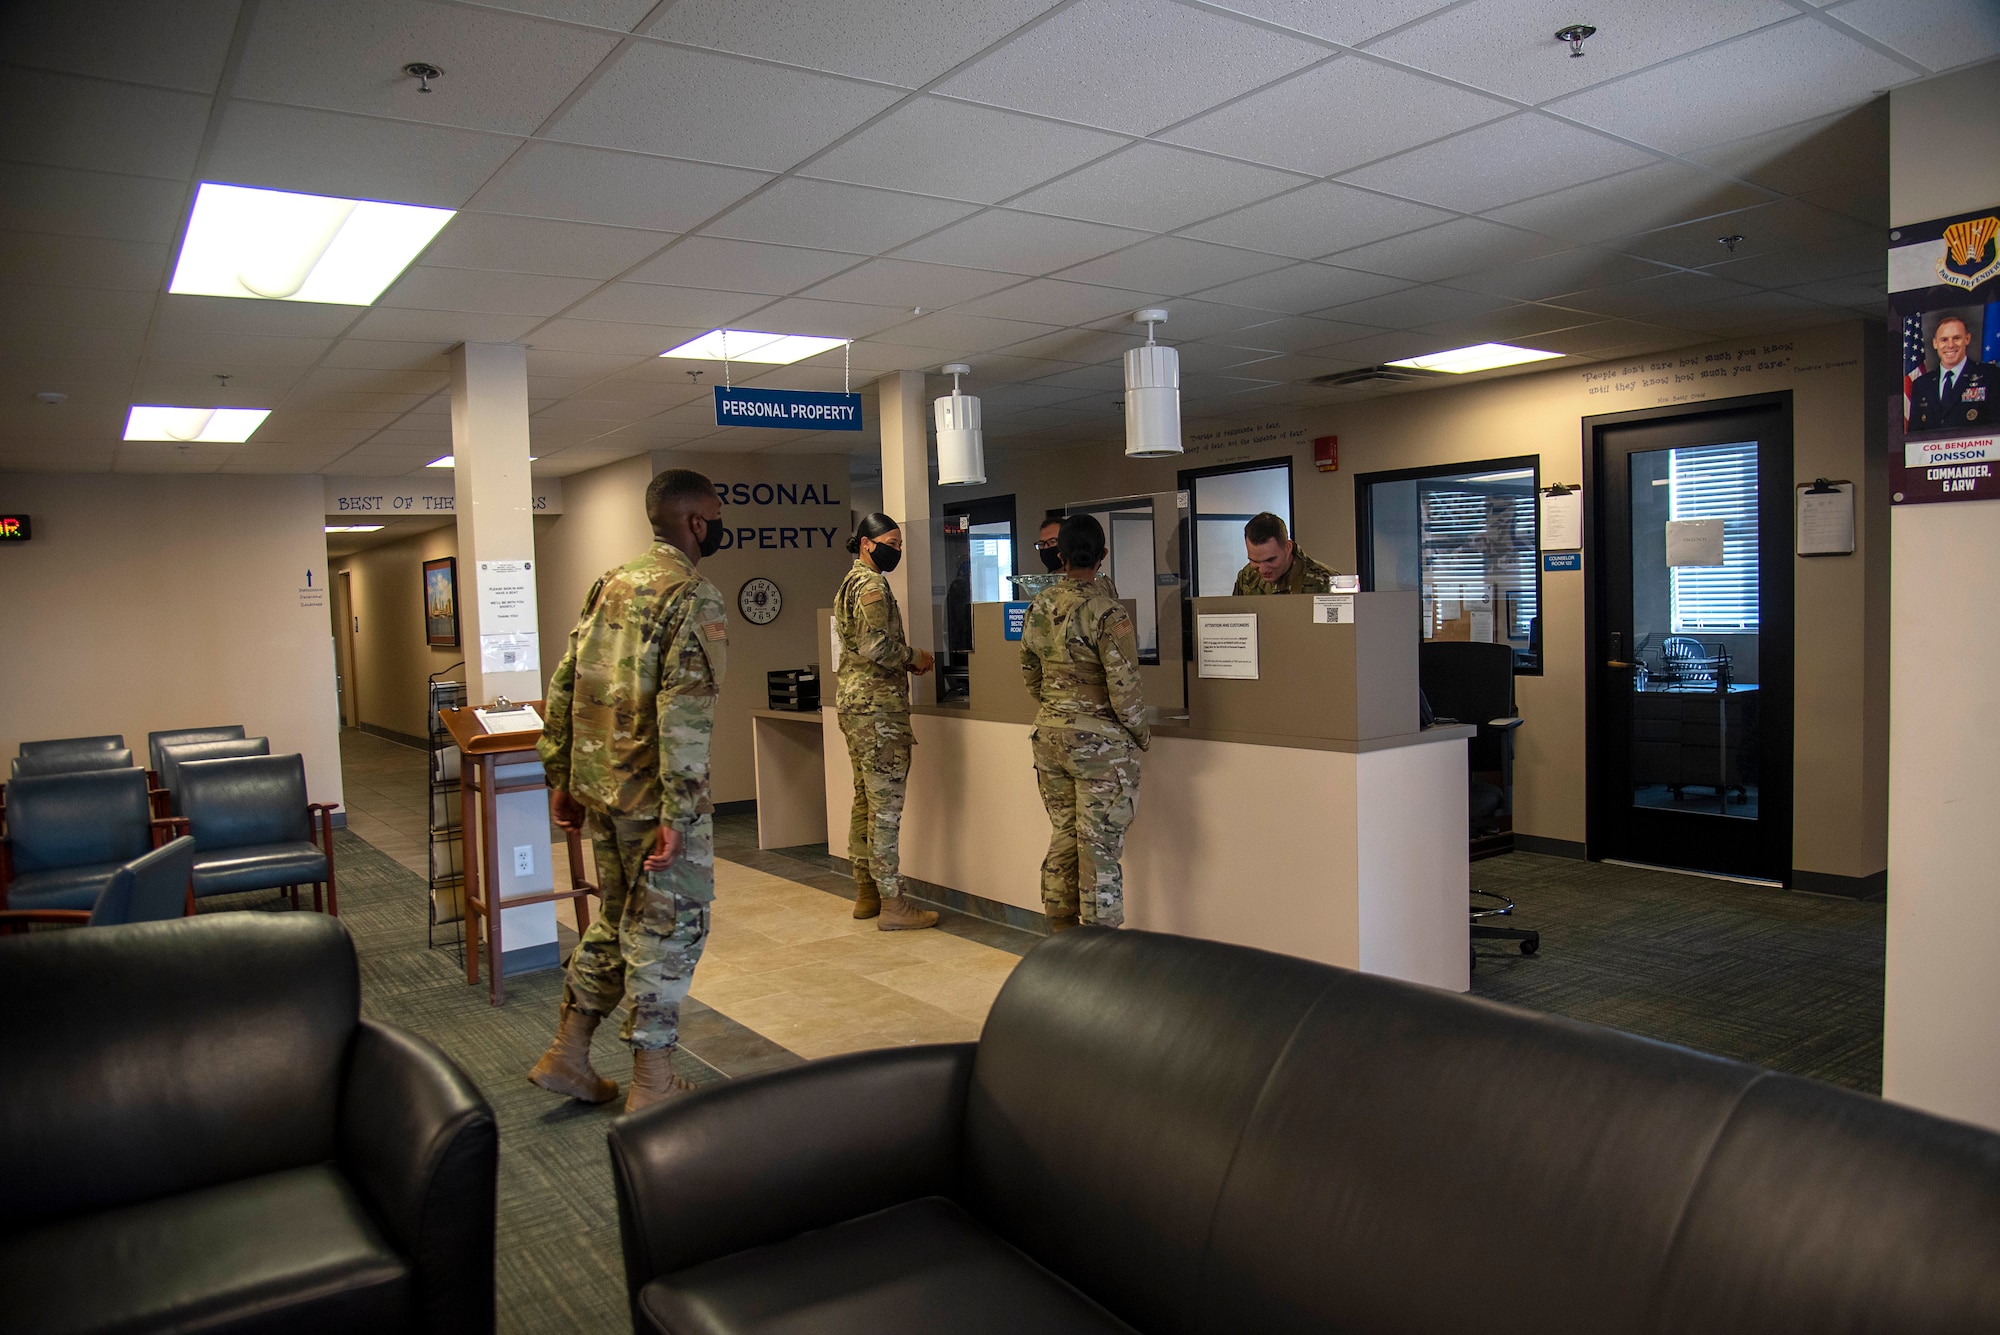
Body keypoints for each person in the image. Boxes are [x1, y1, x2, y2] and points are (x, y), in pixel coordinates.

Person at [529, 468, 729, 1113]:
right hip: (653, 800)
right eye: (715, 516)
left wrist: (560, 776)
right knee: (668, 930)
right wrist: (680, 810)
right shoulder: (693, 595)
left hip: (601, 788)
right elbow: (684, 715)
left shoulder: (608, 584)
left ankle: (569, 1054)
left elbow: (566, 682)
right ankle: (653, 1082)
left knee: (618, 921)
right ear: (697, 523)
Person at [1022, 514, 1149, 931]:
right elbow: (1124, 687)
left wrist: (1059, 708)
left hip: (1049, 737)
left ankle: (1059, 930)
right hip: (1100, 747)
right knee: (1098, 847)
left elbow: (1030, 673)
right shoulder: (1107, 612)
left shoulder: (1038, 606)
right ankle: (1100, 949)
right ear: (1102, 556)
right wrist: (1140, 734)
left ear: (1059, 555)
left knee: (1064, 834)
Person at [834, 512, 939, 930]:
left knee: (865, 800)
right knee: (885, 810)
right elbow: (876, 645)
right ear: (865, 542)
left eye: (899, 545)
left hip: (856, 707)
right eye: (890, 543)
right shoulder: (872, 584)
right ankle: (894, 905)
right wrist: (915, 657)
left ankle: (866, 893)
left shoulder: (850, 581)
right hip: (878, 712)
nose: (896, 550)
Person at [1909, 315, 1999, 432]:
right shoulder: (1921, 385)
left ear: (1967, 339)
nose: (1950, 345)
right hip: (1934, 450)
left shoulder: (1990, 375)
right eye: (1944, 340)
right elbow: (1914, 434)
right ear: (1935, 343)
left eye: (1956, 338)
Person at [1232, 511, 1337, 595]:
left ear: (1288, 548)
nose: (1263, 569)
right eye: (1254, 561)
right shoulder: (1247, 577)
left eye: (1270, 560)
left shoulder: (1327, 581)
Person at [1038, 511, 1117, 596]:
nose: (1046, 547)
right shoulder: (1040, 585)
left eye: (1052, 541)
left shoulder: (1102, 583)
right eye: (1042, 544)